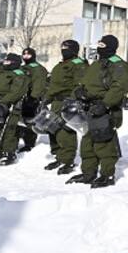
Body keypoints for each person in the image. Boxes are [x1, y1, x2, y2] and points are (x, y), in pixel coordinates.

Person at [67, 35, 128, 188]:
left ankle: (107, 175)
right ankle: (89, 173)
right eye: (98, 43)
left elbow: (119, 87)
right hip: (89, 108)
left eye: (102, 44)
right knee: (87, 143)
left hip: (105, 109)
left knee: (104, 144)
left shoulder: (118, 64)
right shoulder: (96, 63)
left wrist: (105, 104)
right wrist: (79, 91)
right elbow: (84, 82)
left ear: (110, 46)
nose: (99, 46)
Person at [44, 39, 88, 174]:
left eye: (67, 48)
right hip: (56, 103)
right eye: (62, 47)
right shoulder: (59, 66)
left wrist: (73, 100)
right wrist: (46, 99)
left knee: (66, 132)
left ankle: (68, 161)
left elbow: (81, 84)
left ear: (74, 50)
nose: (64, 50)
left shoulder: (78, 64)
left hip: (67, 102)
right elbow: (53, 86)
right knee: (54, 130)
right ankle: (59, 157)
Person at [0, 53, 31, 166]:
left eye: (8, 62)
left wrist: (4, 102)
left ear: (14, 63)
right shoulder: (2, 74)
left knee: (9, 129)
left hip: (10, 105)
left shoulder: (19, 74)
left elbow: (17, 91)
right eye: (5, 61)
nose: (5, 63)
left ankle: (9, 153)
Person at [17, 47, 48, 153]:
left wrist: (34, 97)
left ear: (33, 56)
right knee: (20, 120)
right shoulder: (23, 67)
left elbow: (39, 83)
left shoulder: (37, 68)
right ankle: (20, 139)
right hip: (22, 97)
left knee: (29, 120)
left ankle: (29, 143)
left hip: (31, 98)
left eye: (28, 55)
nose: (26, 57)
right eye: (24, 55)